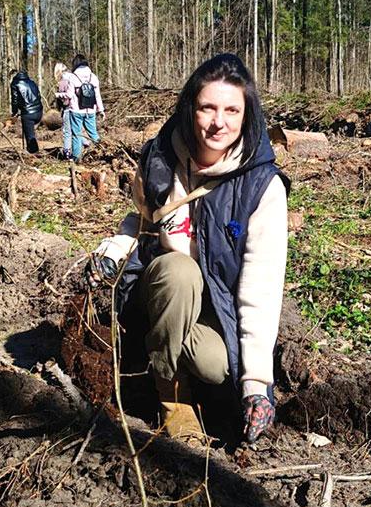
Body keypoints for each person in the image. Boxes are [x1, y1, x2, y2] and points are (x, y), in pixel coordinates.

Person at [90, 53, 288, 446]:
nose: (219, 122)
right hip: (159, 286)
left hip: (214, 303)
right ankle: (171, 395)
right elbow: (141, 220)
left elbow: (260, 289)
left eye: (232, 110)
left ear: (247, 115)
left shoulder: (262, 188)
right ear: (190, 109)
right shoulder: (161, 157)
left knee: (215, 366)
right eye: (207, 108)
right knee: (180, 271)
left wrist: (255, 384)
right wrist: (113, 250)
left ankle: (162, 353)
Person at [61, 54, 104, 162]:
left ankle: (77, 158)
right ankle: (103, 150)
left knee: (77, 134)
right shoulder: (93, 76)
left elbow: (69, 95)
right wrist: (101, 110)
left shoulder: (73, 77)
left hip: (76, 110)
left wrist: (60, 95)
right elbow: (97, 95)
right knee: (93, 133)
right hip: (91, 110)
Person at [9, 67, 43, 154]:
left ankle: (33, 153)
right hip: (39, 111)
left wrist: (14, 112)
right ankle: (32, 151)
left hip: (28, 113)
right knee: (31, 134)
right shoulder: (31, 82)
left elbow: (14, 100)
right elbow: (38, 95)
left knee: (30, 135)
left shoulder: (15, 84)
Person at [53, 61, 73, 160]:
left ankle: (67, 154)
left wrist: (57, 96)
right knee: (77, 131)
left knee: (67, 132)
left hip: (68, 109)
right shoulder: (73, 78)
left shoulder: (62, 81)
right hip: (79, 109)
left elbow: (65, 100)